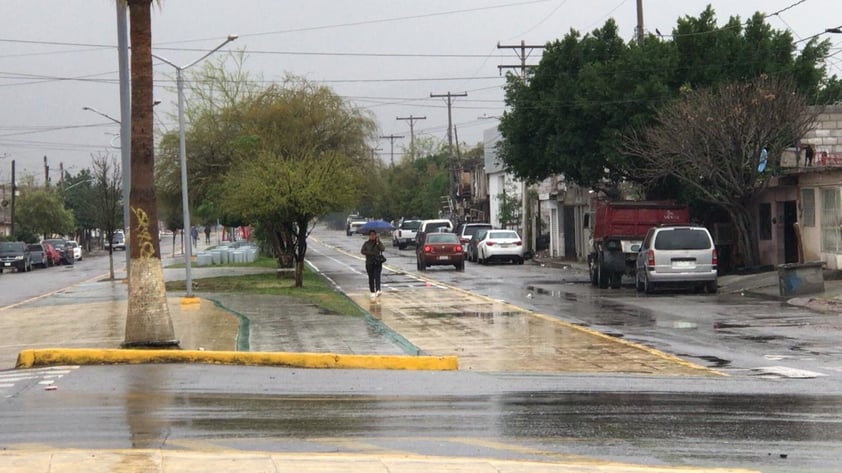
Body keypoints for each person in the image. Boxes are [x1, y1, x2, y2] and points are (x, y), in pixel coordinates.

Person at [360, 229, 385, 301]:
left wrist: (378, 242)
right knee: (371, 277)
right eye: (371, 235)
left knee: (377, 276)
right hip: (369, 263)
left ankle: (378, 290)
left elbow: (383, 249)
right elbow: (362, 251)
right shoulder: (366, 243)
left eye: (374, 235)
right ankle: (372, 291)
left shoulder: (378, 243)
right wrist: (370, 253)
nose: (372, 236)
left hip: (377, 262)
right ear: (369, 236)